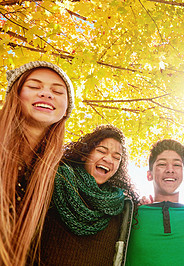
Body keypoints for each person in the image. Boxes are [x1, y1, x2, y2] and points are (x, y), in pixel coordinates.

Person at [0, 61, 74, 266]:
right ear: (15, 93)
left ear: (66, 109)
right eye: (34, 87)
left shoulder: (58, 175)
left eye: (57, 91)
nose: (47, 94)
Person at [38, 125, 139, 266]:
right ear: (84, 155)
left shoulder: (121, 206)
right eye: (101, 151)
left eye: (117, 158)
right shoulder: (54, 182)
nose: (109, 160)